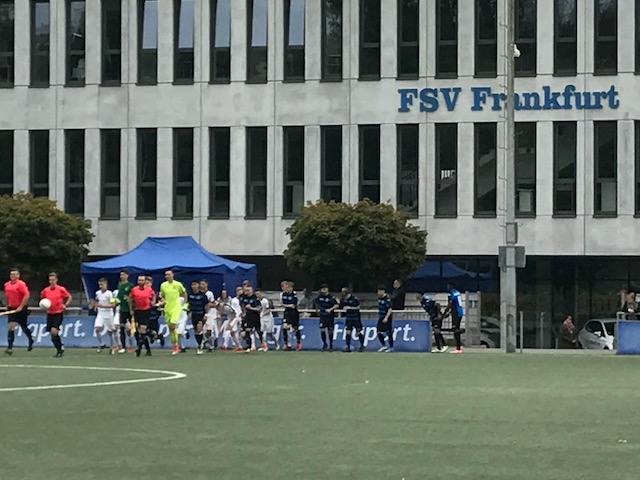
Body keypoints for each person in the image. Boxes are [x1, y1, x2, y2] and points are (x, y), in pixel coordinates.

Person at [3, 268, 34, 355]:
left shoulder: (21, 284)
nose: (12, 276)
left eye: (14, 274)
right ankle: (10, 347)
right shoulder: (7, 285)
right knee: (11, 326)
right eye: (11, 274)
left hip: (21, 308)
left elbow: (26, 295)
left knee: (23, 327)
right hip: (11, 308)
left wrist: (21, 306)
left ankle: (30, 339)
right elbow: (7, 296)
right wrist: (7, 305)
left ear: (18, 275)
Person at [40, 273, 72, 358]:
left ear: (56, 280)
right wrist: (43, 305)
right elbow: (42, 298)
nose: (51, 281)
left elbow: (69, 297)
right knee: (52, 334)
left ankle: (59, 349)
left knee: (54, 331)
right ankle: (59, 348)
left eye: (53, 280)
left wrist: (65, 305)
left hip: (58, 313)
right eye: (50, 280)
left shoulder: (61, 289)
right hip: (49, 314)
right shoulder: (46, 290)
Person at [158, 269, 188, 355]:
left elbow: (184, 293)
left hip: (176, 308)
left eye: (169, 274)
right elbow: (162, 296)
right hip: (167, 308)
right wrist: (162, 302)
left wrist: (184, 303)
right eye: (166, 275)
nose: (167, 276)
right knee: (171, 328)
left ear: (172, 275)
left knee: (173, 325)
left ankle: (176, 345)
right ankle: (175, 345)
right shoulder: (163, 285)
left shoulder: (178, 284)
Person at [129, 274, 156, 357]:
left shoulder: (148, 289)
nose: (140, 282)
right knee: (139, 332)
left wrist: (153, 302)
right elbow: (130, 299)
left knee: (142, 330)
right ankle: (148, 348)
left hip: (146, 311)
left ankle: (139, 349)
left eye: (142, 280)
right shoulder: (134, 289)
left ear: (144, 281)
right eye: (139, 280)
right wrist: (131, 310)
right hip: (137, 311)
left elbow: (154, 295)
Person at [91, 278, 119, 353]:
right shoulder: (97, 293)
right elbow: (97, 300)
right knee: (97, 329)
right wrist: (96, 306)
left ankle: (112, 346)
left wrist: (103, 306)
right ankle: (102, 343)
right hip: (100, 314)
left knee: (111, 331)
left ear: (106, 284)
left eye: (102, 284)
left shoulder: (110, 294)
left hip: (109, 314)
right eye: (99, 284)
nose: (100, 286)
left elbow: (113, 305)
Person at [340, 288, 365, 352]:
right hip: (348, 318)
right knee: (348, 332)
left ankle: (362, 346)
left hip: (356, 318)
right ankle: (347, 347)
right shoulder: (343, 300)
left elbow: (358, 307)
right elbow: (342, 306)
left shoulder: (354, 299)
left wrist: (350, 308)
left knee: (358, 332)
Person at [188, 280, 209, 355]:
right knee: (196, 331)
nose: (193, 286)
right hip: (194, 314)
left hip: (201, 314)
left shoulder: (203, 295)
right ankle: (200, 343)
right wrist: (189, 312)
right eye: (192, 285)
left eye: (195, 284)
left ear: (198, 285)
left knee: (199, 328)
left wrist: (206, 314)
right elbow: (188, 304)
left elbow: (207, 305)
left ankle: (200, 346)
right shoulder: (190, 294)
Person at [116, 270, 134, 353]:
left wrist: (131, 307)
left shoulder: (130, 285)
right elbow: (119, 296)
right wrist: (116, 301)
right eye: (120, 275)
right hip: (122, 309)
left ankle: (132, 345)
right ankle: (123, 347)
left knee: (132, 328)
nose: (121, 276)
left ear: (127, 275)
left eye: (123, 275)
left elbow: (132, 297)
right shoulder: (119, 285)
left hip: (129, 310)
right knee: (122, 327)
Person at [315, 284, 338, 352]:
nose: (323, 290)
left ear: (327, 289)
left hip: (330, 316)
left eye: (324, 289)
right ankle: (324, 344)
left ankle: (331, 345)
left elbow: (336, 305)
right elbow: (316, 303)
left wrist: (330, 309)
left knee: (330, 330)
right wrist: (317, 310)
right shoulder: (319, 297)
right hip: (322, 316)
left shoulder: (331, 297)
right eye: (322, 289)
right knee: (322, 330)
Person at [241, 285, 263, 352]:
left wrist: (251, 308)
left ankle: (262, 345)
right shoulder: (244, 297)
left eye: (248, 290)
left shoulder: (255, 298)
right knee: (247, 330)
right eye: (246, 290)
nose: (247, 292)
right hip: (248, 316)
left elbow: (259, 309)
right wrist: (244, 312)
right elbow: (242, 305)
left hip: (255, 316)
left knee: (258, 331)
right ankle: (249, 346)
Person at [281, 281, 301, 350]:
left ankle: (298, 342)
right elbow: (283, 303)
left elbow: (293, 306)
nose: (286, 289)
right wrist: (285, 305)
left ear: (291, 288)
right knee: (285, 327)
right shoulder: (283, 294)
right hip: (287, 313)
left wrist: (284, 305)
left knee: (295, 328)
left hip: (294, 313)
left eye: (287, 287)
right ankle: (286, 344)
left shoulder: (294, 295)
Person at [445, 282, 464, 353]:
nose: (447, 288)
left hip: (456, 313)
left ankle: (458, 348)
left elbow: (450, 304)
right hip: (459, 312)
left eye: (448, 286)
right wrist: (449, 313)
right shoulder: (457, 292)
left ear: (451, 286)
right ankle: (459, 346)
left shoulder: (452, 293)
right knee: (456, 329)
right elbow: (454, 304)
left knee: (455, 330)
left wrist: (445, 313)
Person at [146, 276, 165, 348]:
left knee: (153, 330)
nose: (146, 285)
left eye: (148, 283)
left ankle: (158, 336)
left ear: (151, 283)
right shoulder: (141, 293)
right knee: (144, 330)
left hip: (153, 315)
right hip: (144, 314)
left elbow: (163, 301)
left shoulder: (155, 293)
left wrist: (156, 305)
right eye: (145, 283)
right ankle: (153, 336)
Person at [200, 280, 217, 352]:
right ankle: (210, 345)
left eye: (203, 284)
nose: (201, 286)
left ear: (206, 284)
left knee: (209, 331)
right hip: (201, 313)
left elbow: (212, 304)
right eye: (201, 284)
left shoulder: (209, 294)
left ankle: (212, 344)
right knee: (203, 331)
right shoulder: (200, 294)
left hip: (210, 315)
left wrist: (207, 313)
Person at [376, 285, 394, 352]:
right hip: (381, 317)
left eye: (379, 291)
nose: (378, 293)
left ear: (383, 291)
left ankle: (391, 347)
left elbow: (390, 309)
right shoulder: (380, 298)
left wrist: (386, 317)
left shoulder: (387, 299)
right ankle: (384, 346)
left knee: (389, 332)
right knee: (378, 331)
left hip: (387, 317)